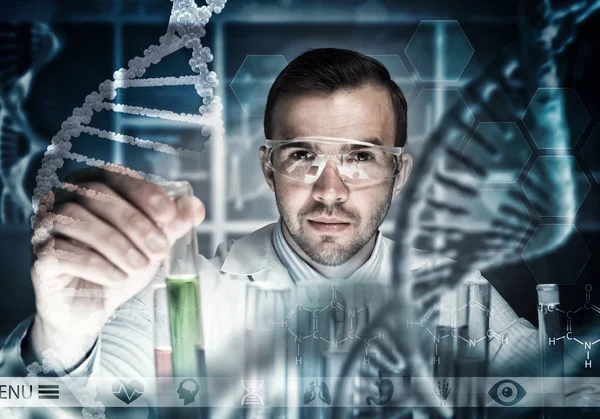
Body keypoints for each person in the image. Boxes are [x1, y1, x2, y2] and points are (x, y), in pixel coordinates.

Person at [0, 48, 538, 416]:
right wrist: (63, 338)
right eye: (303, 156)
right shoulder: (190, 296)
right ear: (267, 167)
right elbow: (59, 400)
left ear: (399, 174)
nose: (331, 191)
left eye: (360, 157)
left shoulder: (457, 294)